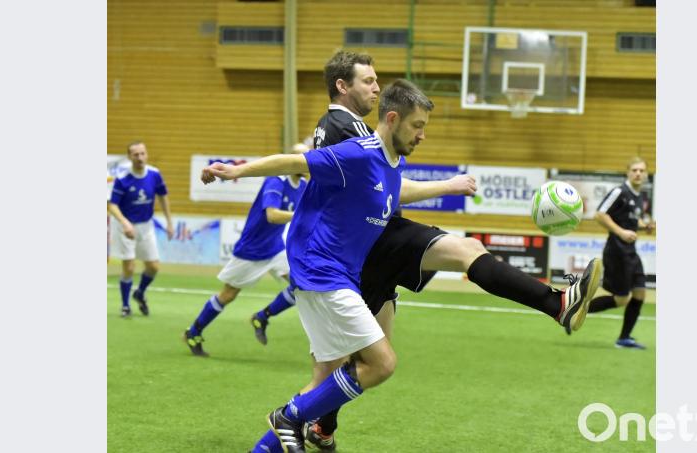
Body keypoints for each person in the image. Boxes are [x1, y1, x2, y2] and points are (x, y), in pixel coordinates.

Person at [203, 79, 599, 453]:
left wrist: (448, 186)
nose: (422, 134)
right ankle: (288, 417)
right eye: (417, 125)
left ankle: (277, 440)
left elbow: (396, 190)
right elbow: (296, 161)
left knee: (332, 376)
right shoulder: (358, 153)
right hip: (323, 273)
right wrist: (235, 171)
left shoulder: (390, 165)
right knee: (381, 362)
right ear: (392, 119)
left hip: (342, 274)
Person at [302, 50, 605, 450]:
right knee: (466, 249)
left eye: (376, 81)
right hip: (375, 241)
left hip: (366, 247)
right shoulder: (348, 128)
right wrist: (449, 185)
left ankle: (319, 426)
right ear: (343, 86)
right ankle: (558, 303)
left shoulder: (336, 127)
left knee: (358, 364)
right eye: (368, 81)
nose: (376, 87)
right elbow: (392, 190)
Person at [183, 144, 309, 357]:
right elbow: (271, 215)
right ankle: (193, 331)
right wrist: (299, 215)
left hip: (276, 247)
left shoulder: (303, 185)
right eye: (300, 155)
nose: (305, 159)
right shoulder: (275, 180)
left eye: (307, 155)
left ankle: (262, 317)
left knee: (303, 285)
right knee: (228, 294)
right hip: (252, 249)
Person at [587, 157, 655, 350]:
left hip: (631, 252)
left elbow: (632, 222)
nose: (638, 173)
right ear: (627, 172)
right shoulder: (619, 192)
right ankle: (575, 311)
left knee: (640, 294)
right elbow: (599, 214)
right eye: (634, 170)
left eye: (642, 170)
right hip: (616, 251)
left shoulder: (640, 196)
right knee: (621, 299)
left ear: (646, 174)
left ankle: (624, 338)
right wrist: (621, 232)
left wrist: (645, 226)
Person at [108, 141, 174, 317]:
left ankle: (140, 293)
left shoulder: (154, 174)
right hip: (125, 227)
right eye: (136, 155)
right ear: (130, 157)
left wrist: (169, 222)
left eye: (142, 153)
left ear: (147, 154)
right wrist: (124, 222)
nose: (140, 157)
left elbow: (163, 196)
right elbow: (112, 206)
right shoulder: (123, 179)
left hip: (146, 226)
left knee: (153, 267)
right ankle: (125, 305)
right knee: (129, 267)